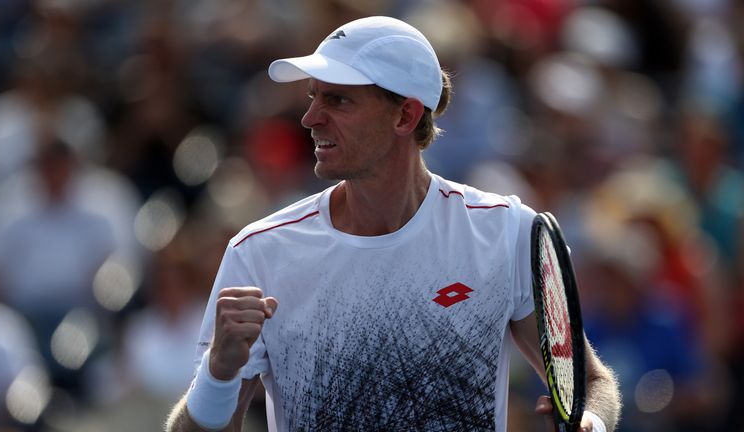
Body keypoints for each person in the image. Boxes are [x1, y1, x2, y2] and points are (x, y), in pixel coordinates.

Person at [166, 16, 621, 432]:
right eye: (313, 96)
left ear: (405, 115)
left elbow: (591, 383)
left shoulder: (504, 232)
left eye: (337, 100)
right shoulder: (260, 253)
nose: (310, 118)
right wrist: (218, 372)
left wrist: (591, 425)